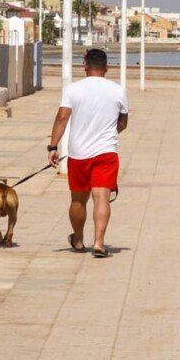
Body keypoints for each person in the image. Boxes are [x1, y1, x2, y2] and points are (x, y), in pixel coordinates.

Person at [48, 49, 129, 258]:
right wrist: (108, 134)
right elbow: (123, 123)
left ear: (84, 66)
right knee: (101, 198)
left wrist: (53, 146)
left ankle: (78, 239)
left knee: (78, 201)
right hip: (106, 153)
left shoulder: (73, 89)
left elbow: (62, 118)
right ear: (107, 68)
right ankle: (99, 243)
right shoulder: (118, 90)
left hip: (79, 154)